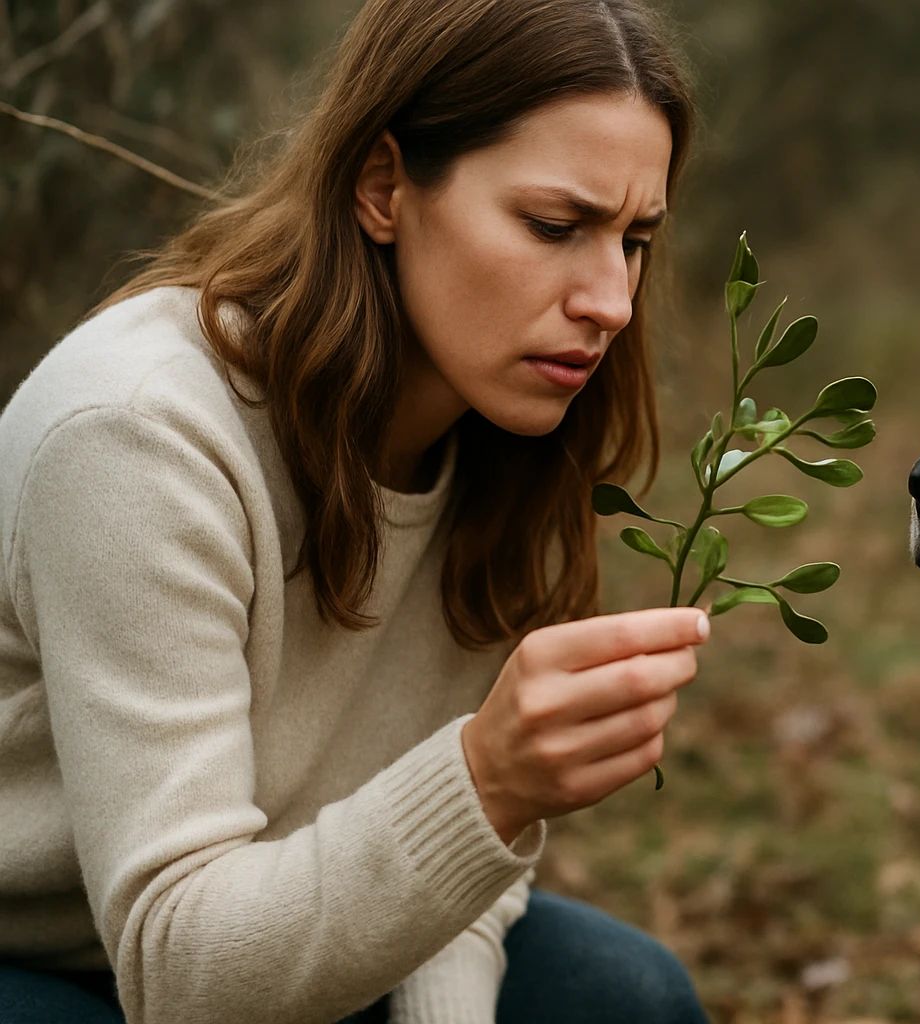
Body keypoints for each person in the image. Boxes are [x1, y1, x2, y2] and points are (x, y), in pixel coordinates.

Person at [0, 1, 713, 1021]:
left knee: (629, 996)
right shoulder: (137, 434)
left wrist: (477, 800)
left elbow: (450, 860)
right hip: (67, 959)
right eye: (555, 226)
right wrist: (489, 778)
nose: (611, 298)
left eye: (634, 239)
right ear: (383, 186)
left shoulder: (506, 424)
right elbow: (179, 964)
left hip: (299, 922)